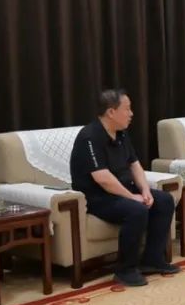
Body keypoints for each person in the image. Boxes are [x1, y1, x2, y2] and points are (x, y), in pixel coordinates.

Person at [69, 89, 178, 288]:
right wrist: (131, 197)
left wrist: (145, 190)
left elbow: (134, 164)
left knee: (164, 200)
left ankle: (152, 259)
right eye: (127, 109)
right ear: (111, 112)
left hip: (122, 191)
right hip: (98, 197)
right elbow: (102, 178)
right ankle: (125, 270)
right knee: (136, 210)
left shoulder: (121, 133)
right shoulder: (89, 137)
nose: (131, 113)